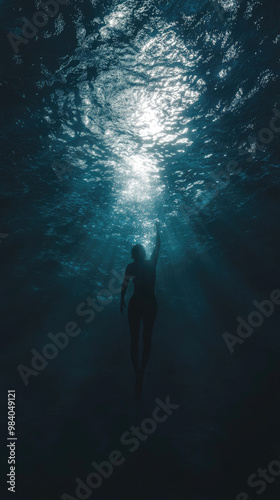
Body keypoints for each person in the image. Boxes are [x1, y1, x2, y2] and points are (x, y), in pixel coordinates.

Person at [120, 222, 160, 399]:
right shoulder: (150, 263)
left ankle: (139, 371)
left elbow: (124, 285)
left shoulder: (133, 266)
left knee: (137, 339)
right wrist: (157, 231)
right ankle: (140, 371)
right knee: (143, 339)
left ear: (133, 255)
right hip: (147, 302)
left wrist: (121, 299)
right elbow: (125, 285)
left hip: (137, 303)